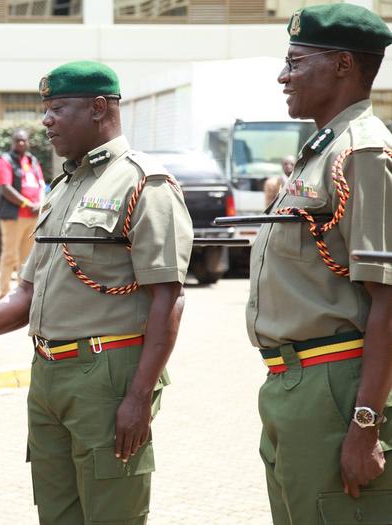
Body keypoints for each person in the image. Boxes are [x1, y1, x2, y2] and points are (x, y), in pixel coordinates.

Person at [0, 61, 193, 524]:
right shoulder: (63, 187)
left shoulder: (144, 182)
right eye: (45, 109)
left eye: (57, 108)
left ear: (99, 108)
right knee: (57, 513)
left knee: (112, 513)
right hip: (48, 374)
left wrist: (138, 396)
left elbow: (168, 298)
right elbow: (28, 293)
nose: (45, 120)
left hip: (106, 378)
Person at [247, 5, 392, 523]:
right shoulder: (323, 150)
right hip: (292, 382)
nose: (283, 75)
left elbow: (389, 300)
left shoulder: (362, 153)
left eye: (295, 61)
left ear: (342, 65)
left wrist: (366, 422)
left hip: (336, 384)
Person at [0, 129, 45, 298]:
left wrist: (40, 203)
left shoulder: (32, 160)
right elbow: (5, 188)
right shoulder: (5, 161)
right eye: (18, 140)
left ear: (28, 142)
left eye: (24, 140)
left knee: (27, 259)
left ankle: (21, 295)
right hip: (14, 217)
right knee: (10, 256)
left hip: (33, 216)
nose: (21, 143)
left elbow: (41, 184)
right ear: (12, 142)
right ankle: (4, 293)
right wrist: (27, 203)